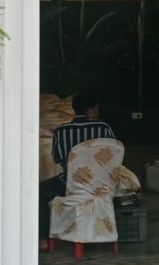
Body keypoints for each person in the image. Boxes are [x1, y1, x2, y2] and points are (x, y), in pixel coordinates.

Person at [39, 92, 116, 243]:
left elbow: (57, 158)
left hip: (69, 185)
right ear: (91, 110)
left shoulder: (61, 131)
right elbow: (113, 154)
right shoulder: (104, 127)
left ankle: (43, 240)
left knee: (39, 192)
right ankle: (106, 231)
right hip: (101, 186)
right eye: (96, 108)